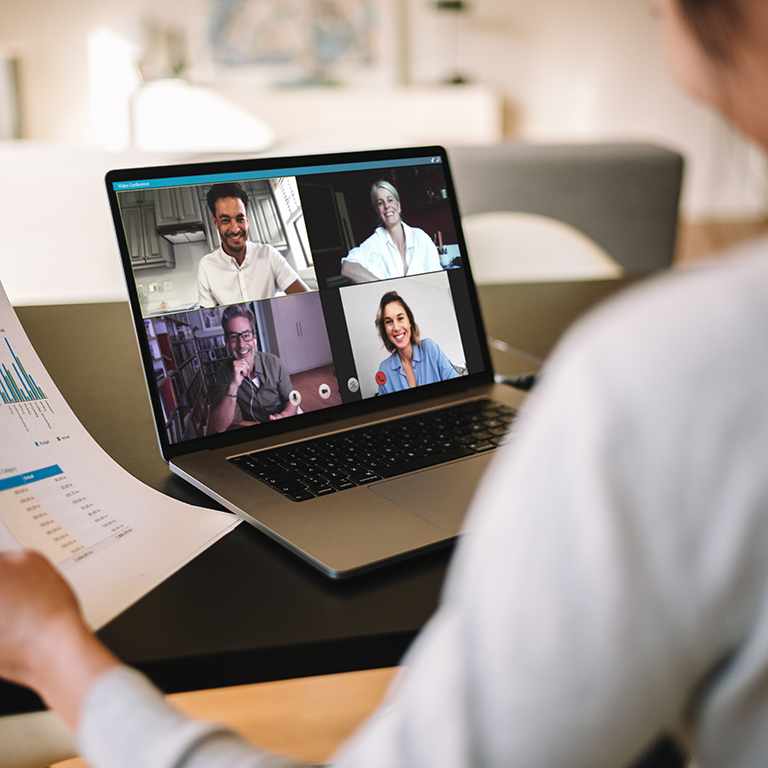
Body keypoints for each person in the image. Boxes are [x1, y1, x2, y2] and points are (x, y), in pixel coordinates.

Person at [3, 1, 768, 766]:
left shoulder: (662, 377)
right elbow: (237, 410)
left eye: (243, 221)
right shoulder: (226, 287)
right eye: (227, 223)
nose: (236, 233)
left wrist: (52, 650)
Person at [197, 182, 309, 306]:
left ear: (247, 220)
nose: (235, 229)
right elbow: (208, 317)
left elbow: (308, 300)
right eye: (225, 221)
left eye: (240, 219)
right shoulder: (206, 266)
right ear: (216, 223)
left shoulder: (269, 254)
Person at [207, 304, 298, 433]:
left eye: (246, 335)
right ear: (226, 340)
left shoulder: (274, 362)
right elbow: (220, 427)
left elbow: (292, 398)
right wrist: (233, 385)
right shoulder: (224, 372)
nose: (241, 344)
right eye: (233, 337)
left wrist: (284, 416)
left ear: (254, 336)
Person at [340, 180, 443, 283]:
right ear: (378, 212)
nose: (387, 206)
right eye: (380, 203)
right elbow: (347, 268)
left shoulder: (420, 237)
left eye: (390, 200)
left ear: (398, 206)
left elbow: (439, 280)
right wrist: (384, 286)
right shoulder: (376, 242)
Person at [374, 291, 459, 394]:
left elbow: (458, 387)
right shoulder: (384, 370)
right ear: (385, 330)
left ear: (410, 322)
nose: (396, 328)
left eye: (400, 318)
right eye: (389, 322)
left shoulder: (429, 348)